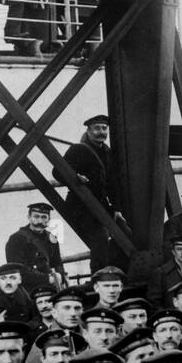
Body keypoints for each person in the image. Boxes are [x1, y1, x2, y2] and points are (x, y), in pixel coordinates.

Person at [56, 114, 128, 273]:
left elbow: (112, 183)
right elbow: (57, 172)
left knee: (126, 233)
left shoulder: (107, 151)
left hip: (101, 205)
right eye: (96, 128)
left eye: (104, 128)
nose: (101, 132)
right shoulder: (78, 149)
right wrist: (74, 177)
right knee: (100, 238)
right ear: (88, 131)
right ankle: (99, 275)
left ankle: (118, 272)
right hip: (81, 206)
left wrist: (116, 209)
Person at [5, 202, 66, 290]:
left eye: (44, 217)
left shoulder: (52, 238)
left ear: (49, 220)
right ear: (29, 217)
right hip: (28, 289)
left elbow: (57, 263)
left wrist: (61, 276)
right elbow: (18, 270)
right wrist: (48, 279)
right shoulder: (16, 239)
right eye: (36, 216)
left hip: (51, 287)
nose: (40, 221)